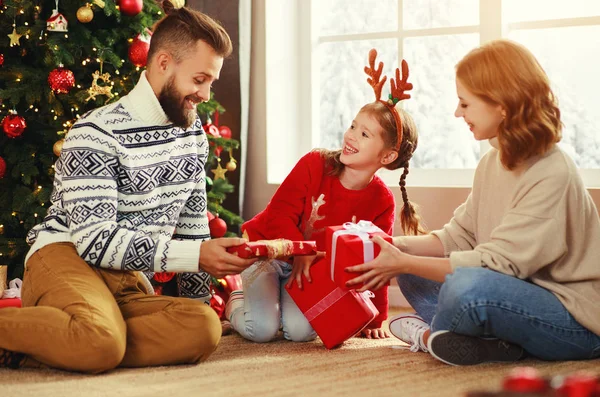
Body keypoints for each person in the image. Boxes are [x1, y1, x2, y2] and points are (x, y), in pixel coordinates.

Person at [0, 1, 256, 373]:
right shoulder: (95, 133)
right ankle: (89, 338)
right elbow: (94, 241)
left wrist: (199, 298)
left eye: (211, 82)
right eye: (199, 80)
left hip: (126, 277)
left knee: (202, 327)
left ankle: (61, 339)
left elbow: (192, 228)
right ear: (163, 63)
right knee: (101, 342)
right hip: (66, 255)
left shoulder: (192, 134)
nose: (206, 94)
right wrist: (197, 255)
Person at [346, 39, 600, 366]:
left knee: (464, 286)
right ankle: (487, 343)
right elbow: (460, 237)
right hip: (511, 295)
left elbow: (497, 266)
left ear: (501, 105)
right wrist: (393, 246)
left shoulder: (551, 172)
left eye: (465, 104)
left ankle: (431, 335)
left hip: (574, 321)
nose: (457, 113)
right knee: (412, 264)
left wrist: (402, 262)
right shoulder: (493, 161)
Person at [225, 49, 425, 343]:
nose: (351, 135)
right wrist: (303, 252)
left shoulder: (381, 201)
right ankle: (237, 300)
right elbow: (278, 215)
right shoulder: (315, 163)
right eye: (353, 126)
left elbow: (376, 260)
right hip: (270, 253)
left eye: (365, 134)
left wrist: (378, 316)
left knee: (301, 333)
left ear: (387, 156)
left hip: (311, 271)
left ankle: (274, 303)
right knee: (262, 330)